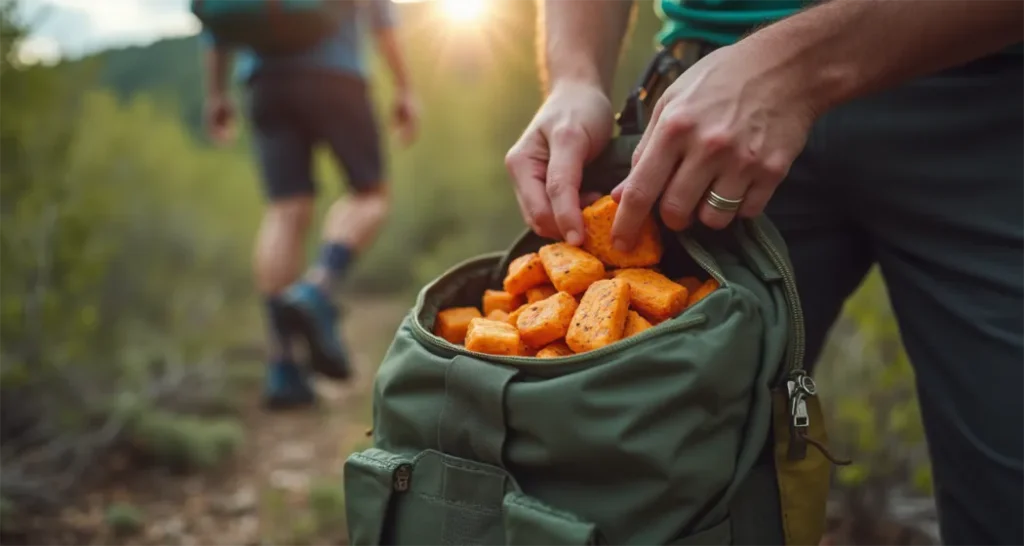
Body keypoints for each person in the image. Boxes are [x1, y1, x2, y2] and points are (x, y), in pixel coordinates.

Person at [505, 0, 1024, 544]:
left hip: (987, 86)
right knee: (627, 493)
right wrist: (575, 76)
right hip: (707, 116)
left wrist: (793, 68)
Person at [202, 0, 419, 410]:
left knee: (284, 211)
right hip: (338, 77)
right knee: (369, 195)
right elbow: (381, 18)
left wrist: (216, 94)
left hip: (265, 82)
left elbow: (215, 25)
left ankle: (284, 368)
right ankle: (318, 288)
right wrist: (405, 87)